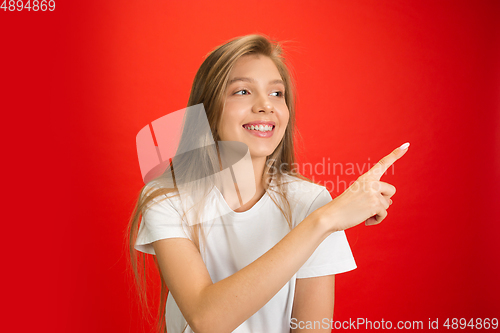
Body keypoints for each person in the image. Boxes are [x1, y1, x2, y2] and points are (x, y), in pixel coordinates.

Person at [127, 34, 409, 333]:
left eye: (277, 94)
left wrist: (321, 216)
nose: (266, 105)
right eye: (243, 91)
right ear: (207, 109)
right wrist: (323, 221)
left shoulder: (311, 202)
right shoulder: (167, 198)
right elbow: (206, 320)